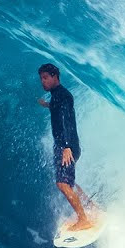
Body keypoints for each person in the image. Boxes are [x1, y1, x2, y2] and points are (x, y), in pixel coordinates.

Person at [37, 63, 95, 230]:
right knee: (68, 183)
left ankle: (83, 220)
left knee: (62, 184)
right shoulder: (57, 96)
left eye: (46, 78)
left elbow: (67, 120)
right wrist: (47, 105)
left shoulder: (64, 96)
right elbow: (58, 110)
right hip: (64, 145)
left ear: (55, 77)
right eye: (41, 78)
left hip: (66, 146)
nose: (43, 82)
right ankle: (89, 205)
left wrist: (67, 147)